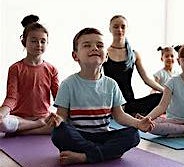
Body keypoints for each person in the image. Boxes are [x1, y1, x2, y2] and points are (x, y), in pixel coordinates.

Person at [46, 28, 154, 165]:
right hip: (78, 135)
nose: (94, 48)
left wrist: (138, 123)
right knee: (59, 133)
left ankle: (85, 156)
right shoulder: (68, 84)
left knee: (134, 135)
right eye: (87, 45)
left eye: (100, 45)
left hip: (103, 136)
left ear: (106, 56)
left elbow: (119, 115)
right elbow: (62, 116)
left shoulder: (111, 84)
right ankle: (105, 153)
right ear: (75, 56)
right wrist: (56, 120)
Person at [0, 14, 59, 136]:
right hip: (20, 118)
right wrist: (1, 113)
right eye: (33, 41)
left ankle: (22, 132)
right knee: (3, 123)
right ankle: (36, 126)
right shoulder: (15, 68)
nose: (38, 44)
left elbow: (58, 97)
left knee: (65, 125)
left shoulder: (52, 69)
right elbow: (11, 98)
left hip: (43, 117)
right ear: (24, 42)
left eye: (43, 41)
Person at [102, 15, 164, 116]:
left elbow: (147, 79)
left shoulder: (134, 54)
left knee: (161, 97)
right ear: (110, 29)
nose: (119, 30)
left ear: (127, 29)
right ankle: (126, 114)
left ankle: (132, 114)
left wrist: (167, 92)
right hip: (110, 102)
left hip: (129, 102)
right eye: (116, 26)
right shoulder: (104, 53)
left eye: (123, 27)